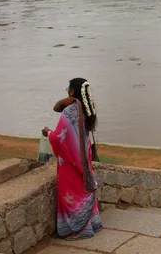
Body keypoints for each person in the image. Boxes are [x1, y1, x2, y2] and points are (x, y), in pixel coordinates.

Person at [42, 78, 102, 241]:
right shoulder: (87, 110)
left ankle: (80, 229)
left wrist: (47, 132)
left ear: (71, 92)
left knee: (71, 193)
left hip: (70, 162)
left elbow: (60, 136)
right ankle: (91, 223)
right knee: (82, 190)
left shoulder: (70, 111)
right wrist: (64, 101)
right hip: (84, 158)